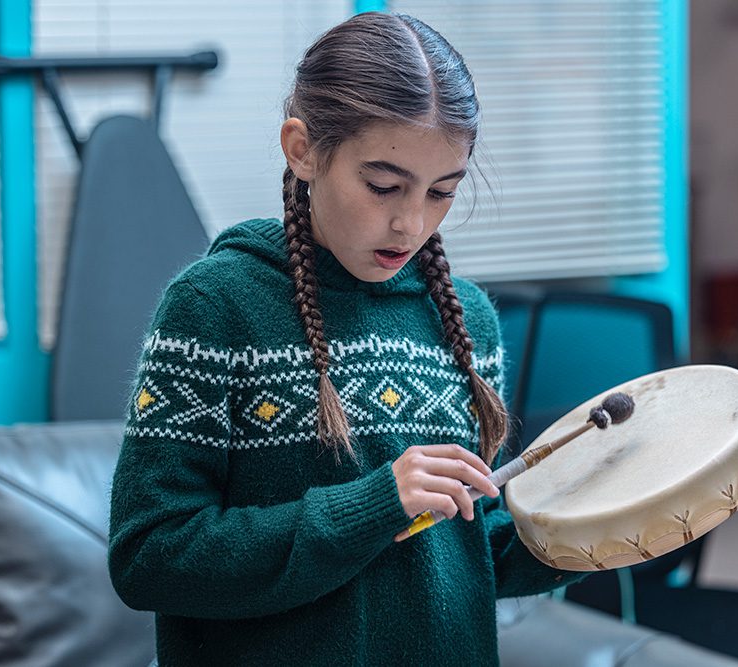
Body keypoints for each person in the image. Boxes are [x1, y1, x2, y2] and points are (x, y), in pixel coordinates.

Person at [108, 11, 585, 666]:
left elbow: (471, 556)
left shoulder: (468, 320)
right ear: (303, 148)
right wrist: (376, 503)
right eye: (383, 185)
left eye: (443, 191)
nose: (411, 222)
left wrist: (597, 530)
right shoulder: (212, 308)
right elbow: (150, 557)